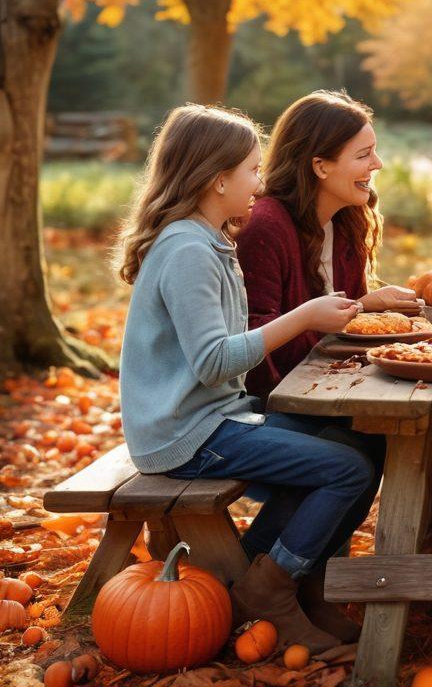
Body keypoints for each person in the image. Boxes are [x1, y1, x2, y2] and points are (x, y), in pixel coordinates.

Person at [115, 104, 374, 652]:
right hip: (185, 435)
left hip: (214, 420)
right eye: (253, 171)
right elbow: (213, 361)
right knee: (346, 470)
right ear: (217, 180)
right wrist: (303, 316)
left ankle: (286, 583)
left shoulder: (208, 240)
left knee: (353, 444)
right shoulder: (187, 250)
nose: (262, 183)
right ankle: (269, 590)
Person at [237, 90, 415, 404]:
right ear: (320, 166)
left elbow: (333, 330)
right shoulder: (265, 226)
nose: (378, 164)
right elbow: (252, 343)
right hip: (281, 404)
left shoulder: (346, 221)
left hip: (337, 389)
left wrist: (366, 305)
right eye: (363, 155)